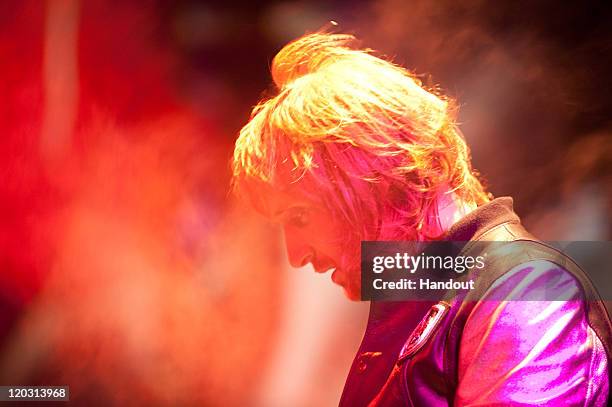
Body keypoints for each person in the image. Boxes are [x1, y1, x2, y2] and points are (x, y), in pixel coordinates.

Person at [231, 32, 611, 406]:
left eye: (298, 216)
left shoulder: (522, 288)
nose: (295, 255)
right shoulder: (432, 292)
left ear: (372, 179)